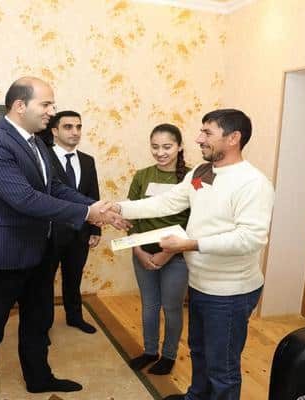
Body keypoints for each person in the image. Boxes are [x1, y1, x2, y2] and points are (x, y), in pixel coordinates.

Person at [0, 77, 126, 400]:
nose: (52, 111)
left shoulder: (37, 142)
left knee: (37, 323)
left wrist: (96, 207)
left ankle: (39, 378)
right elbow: (24, 198)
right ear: (19, 105)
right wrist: (87, 214)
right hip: (2, 254)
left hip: (39, 250)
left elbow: (55, 187)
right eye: (46, 104)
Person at [112, 109, 274, 400]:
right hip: (200, 284)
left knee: (222, 367)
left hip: (229, 292)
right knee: (198, 350)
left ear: (233, 138)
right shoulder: (201, 172)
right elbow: (166, 203)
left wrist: (190, 245)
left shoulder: (253, 183)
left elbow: (250, 238)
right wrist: (117, 208)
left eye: (207, 132)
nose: (199, 138)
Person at [125, 123, 190, 375]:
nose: (160, 152)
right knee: (149, 305)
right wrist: (138, 249)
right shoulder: (142, 175)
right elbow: (131, 215)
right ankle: (150, 351)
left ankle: (169, 355)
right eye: (155, 147)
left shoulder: (192, 178)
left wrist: (167, 253)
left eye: (167, 147)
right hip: (143, 252)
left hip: (176, 255)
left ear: (179, 147)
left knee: (171, 308)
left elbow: (195, 222)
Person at [46, 110, 101, 334]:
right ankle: (42, 326)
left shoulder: (88, 161)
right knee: (43, 283)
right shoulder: (43, 157)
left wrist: (95, 228)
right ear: (54, 130)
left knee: (74, 279)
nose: (75, 132)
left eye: (78, 127)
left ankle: (75, 317)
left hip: (80, 233)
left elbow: (92, 195)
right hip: (49, 234)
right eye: (68, 127)